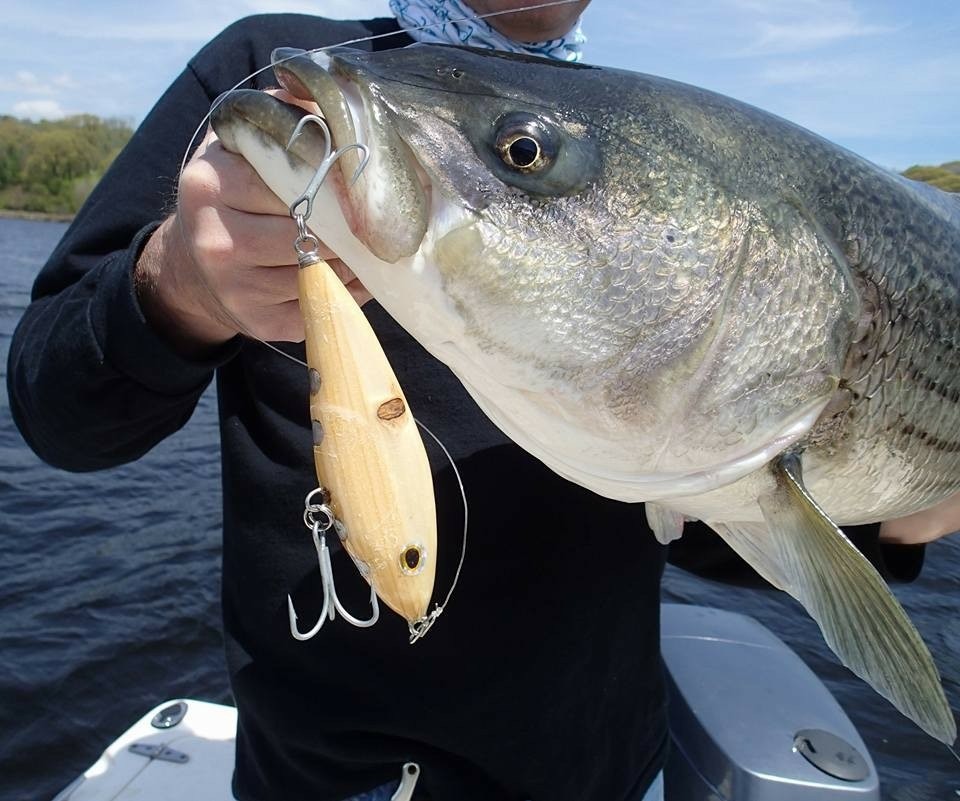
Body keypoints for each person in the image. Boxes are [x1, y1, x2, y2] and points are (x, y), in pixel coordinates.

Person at [6, 2, 958, 800]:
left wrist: (899, 527)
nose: (520, 149)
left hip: (596, 771)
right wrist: (176, 282)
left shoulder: (655, 132)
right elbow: (62, 416)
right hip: (321, 775)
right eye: (521, 149)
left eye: (521, 153)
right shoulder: (275, 78)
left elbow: (703, 512)